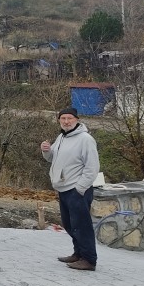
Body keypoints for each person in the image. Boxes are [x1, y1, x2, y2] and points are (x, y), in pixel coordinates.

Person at [40, 107, 100, 271]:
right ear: (59, 120)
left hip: (78, 190)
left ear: (77, 120)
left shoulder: (85, 139)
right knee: (69, 224)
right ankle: (78, 253)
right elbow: (52, 158)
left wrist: (80, 189)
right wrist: (46, 151)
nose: (66, 121)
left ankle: (89, 260)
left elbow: (92, 167)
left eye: (69, 118)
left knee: (82, 225)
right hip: (64, 189)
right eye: (63, 118)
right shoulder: (62, 137)